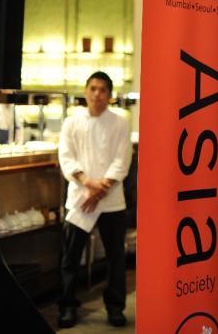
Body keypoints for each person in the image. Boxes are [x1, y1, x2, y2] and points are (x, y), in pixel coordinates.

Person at [57, 71, 132, 328]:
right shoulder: (71, 122)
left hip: (111, 201)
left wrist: (101, 188)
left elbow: (122, 161)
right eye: (93, 88)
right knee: (70, 257)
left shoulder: (121, 123)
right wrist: (88, 183)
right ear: (85, 91)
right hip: (81, 197)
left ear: (110, 95)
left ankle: (115, 307)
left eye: (103, 90)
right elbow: (66, 157)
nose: (97, 94)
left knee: (115, 258)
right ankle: (67, 306)